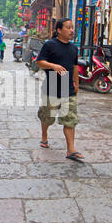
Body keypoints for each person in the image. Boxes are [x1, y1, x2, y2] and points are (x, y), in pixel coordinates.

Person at [35, 18, 83, 161]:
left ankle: (71, 150)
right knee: (47, 117)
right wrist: (53, 66)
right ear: (59, 30)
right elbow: (39, 62)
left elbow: (75, 67)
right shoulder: (50, 45)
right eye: (68, 27)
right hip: (52, 86)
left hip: (68, 87)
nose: (71, 30)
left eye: (72, 27)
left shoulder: (74, 48)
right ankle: (44, 136)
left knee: (70, 119)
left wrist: (77, 83)